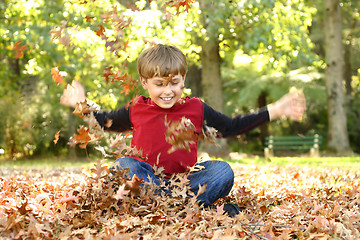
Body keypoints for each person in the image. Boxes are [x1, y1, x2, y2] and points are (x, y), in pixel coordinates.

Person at [60, 44, 306, 217]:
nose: (167, 91)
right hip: (147, 178)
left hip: (185, 183)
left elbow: (231, 126)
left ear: (183, 80)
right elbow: (105, 121)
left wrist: (275, 109)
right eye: (159, 85)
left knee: (222, 171)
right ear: (145, 83)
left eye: (174, 83)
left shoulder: (196, 108)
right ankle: (185, 206)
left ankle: (170, 204)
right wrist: (81, 104)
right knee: (125, 165)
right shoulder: (137, 108)